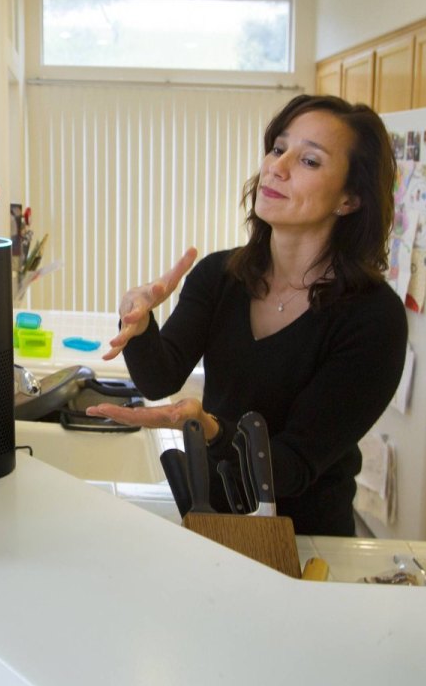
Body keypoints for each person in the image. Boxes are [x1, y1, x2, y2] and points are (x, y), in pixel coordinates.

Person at [87, 94, 407, 537]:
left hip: (308, 541)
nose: (277, 167)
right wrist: (139, 326)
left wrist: (212, 430)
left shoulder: (374, 319)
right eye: (279, 148)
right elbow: (159, 378)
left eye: (310, 161)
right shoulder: (220, 276)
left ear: (349, 199)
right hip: (212, 519)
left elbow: (293, 465)